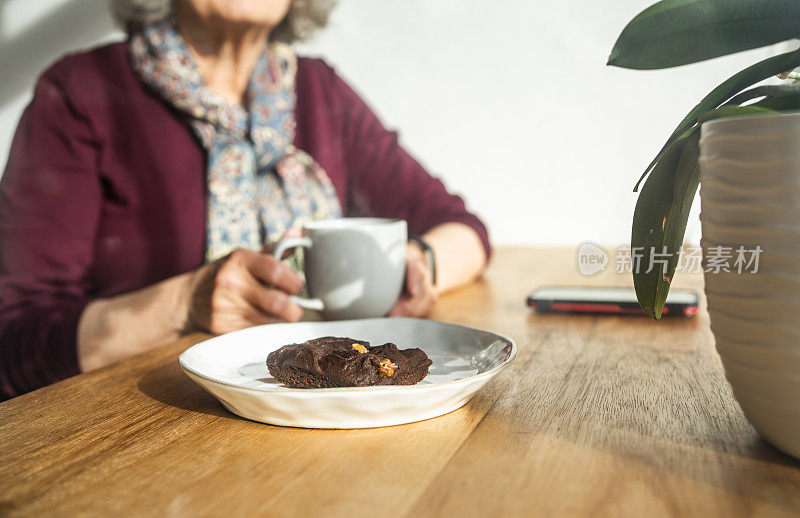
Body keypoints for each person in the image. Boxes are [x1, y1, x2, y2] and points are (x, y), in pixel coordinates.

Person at [0, 0, 490, 399]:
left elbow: (464, 228)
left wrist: (414, 265)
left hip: (330, 415)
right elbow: (14, 337)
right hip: (148, 428)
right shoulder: (80, 94)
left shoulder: (320, 90)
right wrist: (184, 303)